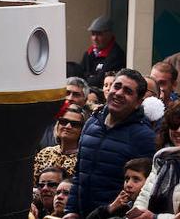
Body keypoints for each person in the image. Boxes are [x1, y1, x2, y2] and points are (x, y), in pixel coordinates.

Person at [65, 69, 158, 218]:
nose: (119, 93)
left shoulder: (144, 136)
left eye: (128, 91)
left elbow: (146, 189)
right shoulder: (91, 123)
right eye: (117, 86)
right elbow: (79, 174)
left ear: (138, 102)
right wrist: (71, 210)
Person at [83, 157, 150, 219]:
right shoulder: (122, 208)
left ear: (149, 182)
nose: (128, 184)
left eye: (136, 180)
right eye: (127, 179)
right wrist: (111, 207)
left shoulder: (150, 213)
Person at [35, 102, 85, 184]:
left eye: (75, 124)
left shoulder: (84, 159)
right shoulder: (45, 153)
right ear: (58, 124)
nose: (68, 126)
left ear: (83, 129)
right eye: (64, 121)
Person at [82, 16, 128, 88]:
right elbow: (79, 75)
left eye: (99, 34)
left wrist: (88, 78)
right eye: (93, 34)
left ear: (109, 34)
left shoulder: (116, 56)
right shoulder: (89, 53)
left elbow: (100, 81)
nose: (95, 38)